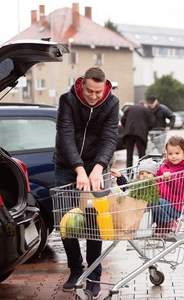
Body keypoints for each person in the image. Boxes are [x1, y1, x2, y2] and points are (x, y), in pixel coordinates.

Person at [53, 67, 120, 299]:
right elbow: (65, 136)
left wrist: (98, 167)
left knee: (93, 222)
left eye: (98, 92)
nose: (93, 96)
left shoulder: (111, 103)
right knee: (67, 221)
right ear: (82, 85)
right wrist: (79, 169)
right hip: (66, 167)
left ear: (105, 87)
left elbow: (110, 136)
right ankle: (75, 270)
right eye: (90, 91)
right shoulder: (68, 100)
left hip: (95, 169)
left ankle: (93, 275)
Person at [153, 135, 184, 232]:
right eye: (170, 153)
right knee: (151, 200)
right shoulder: (164, 166)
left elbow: (180, 189)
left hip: (175, 207)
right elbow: (156, 181)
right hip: (162, 203)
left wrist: (170, 179)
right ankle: (163, 225)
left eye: (177, 153)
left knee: (154, 202)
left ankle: (170, 222)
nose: (173, 156)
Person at [121, 103, 155, 168]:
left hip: (129, 133)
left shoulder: (129, 108)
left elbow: (123, 120)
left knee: (129, 154)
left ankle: (129, 172)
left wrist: (126, 128)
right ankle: (142, 171)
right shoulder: (146, 110)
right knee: (142, 154)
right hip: (141, 134)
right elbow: (152, 123)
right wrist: (146, 129)